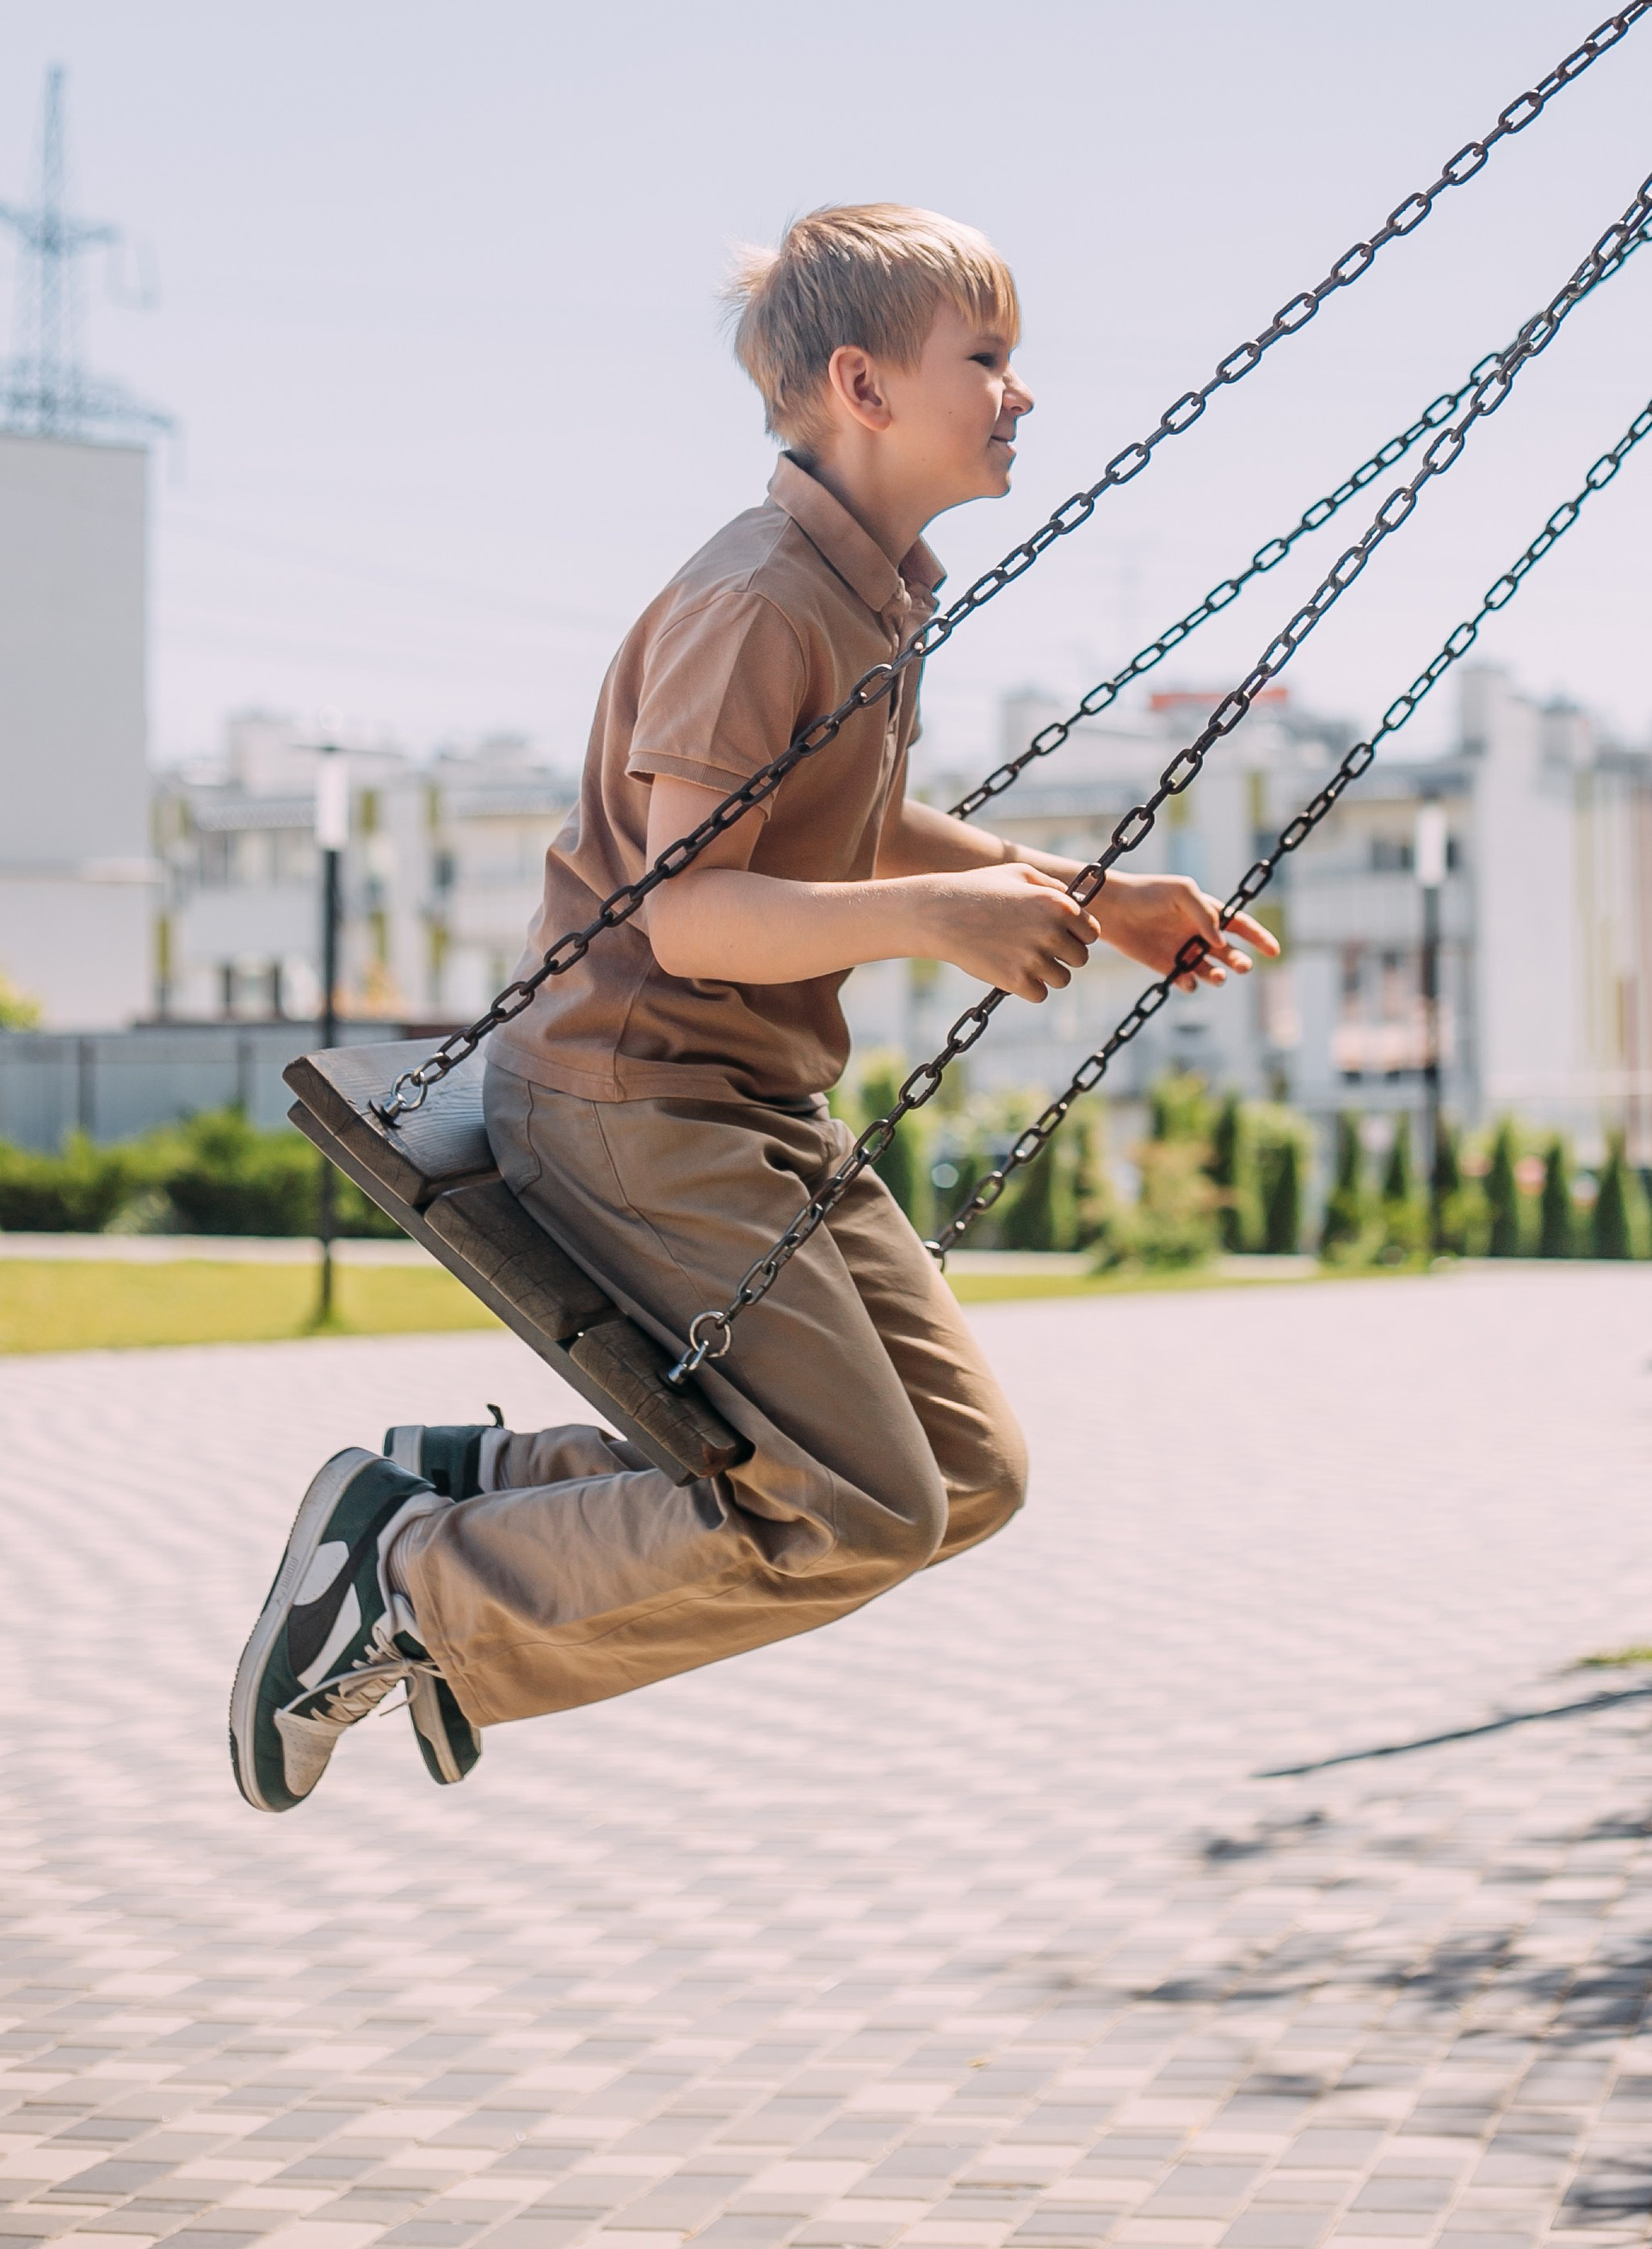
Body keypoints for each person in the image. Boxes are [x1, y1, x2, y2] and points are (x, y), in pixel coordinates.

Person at [229, 203, 1275, 1811]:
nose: (1022, 392)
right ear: (862, 385)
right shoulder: (762, 603)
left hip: (747, 1103)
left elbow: (843, 822)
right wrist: (942, 922)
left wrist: (1089, 898)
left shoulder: (863, 593)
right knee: (852, 1511)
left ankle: (468, 1488)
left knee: (963, 1476)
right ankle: (409, 1587)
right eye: (985, 358)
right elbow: (693, 906)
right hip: (632, 1097)